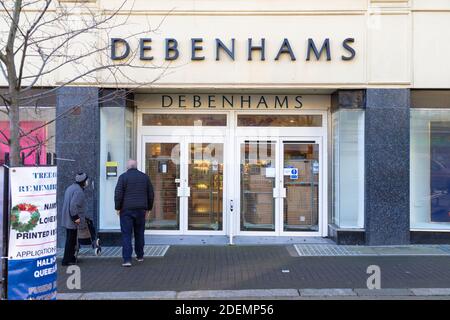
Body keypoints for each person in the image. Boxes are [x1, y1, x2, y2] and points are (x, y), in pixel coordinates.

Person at [115, 159, 154, 267]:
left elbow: (118, 194)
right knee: (139, 233)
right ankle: (140, 256)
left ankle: (127, 260)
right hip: (141, 210)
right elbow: (151, 194)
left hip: (126, 210)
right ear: (136, 166)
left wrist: (118, 208)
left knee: (126, 235)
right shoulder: (144, 177)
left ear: (127, 167)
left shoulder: (123, 177)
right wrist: (149, 208)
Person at [61, 172, 89, 266]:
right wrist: (76, 218)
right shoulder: (79, 191)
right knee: (71, 240)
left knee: (70, 239)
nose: (87, 182)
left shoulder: (71, 187)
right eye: (86, 180)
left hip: (67, 218)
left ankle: (70, 258)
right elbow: (73, 206)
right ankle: (67, 260)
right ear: (83, 181)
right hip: (72, 220)